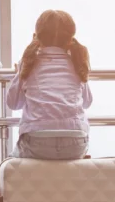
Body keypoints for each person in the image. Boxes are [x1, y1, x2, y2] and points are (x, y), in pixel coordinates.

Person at [6, 9, 93, 160]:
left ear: (37, 37)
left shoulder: (28, 64)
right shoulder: (76, 63)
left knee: (10, 160)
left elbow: (13, 104)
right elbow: (87, 102)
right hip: (75, 143)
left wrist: (19, 73)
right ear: (70, 39)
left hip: (37, 142)